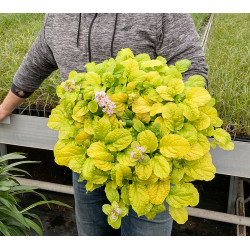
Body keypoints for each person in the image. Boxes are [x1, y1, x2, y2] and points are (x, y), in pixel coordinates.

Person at [0, 13, 208, 236]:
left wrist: (152, 111)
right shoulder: (59, 14)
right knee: (92, 234)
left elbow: (193, 71)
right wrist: (4, 108)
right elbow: (36, 64)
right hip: (89, 154)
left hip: (148, 163)